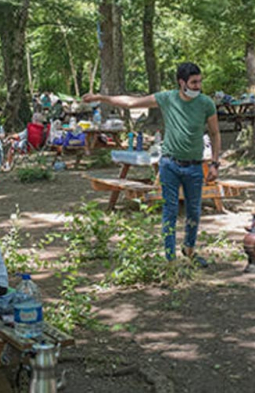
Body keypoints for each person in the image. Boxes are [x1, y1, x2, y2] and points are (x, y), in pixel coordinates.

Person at [83, 62, 221, 266]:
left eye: (200, 81)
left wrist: (215, 163)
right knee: (170, 210)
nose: (198, 86)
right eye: (193, 82)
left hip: (194, 166)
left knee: (194, 210)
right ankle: (170, 259)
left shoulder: (206, 103)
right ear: (181, 82)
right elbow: (131, 102)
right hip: (170, 165)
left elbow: (216, 133)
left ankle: (189, 250)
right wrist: (102, 98)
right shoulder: (167, 98)